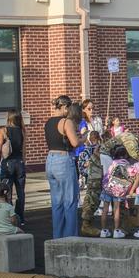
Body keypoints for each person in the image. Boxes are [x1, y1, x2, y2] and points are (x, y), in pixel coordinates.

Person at [44, 96, 83, 239]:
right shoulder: (66, 122)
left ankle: (57, 236)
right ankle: (70, 237)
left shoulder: (48, 122)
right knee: (70, 201)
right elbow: (74, 143)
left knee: (57, 202)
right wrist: (84, 138)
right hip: (63, 160)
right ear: (65, 107)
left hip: (50, 160)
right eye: (69, 108)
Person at [99, 145, 139, 239]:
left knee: (105, 209)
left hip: (108, 188)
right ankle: (116, 231)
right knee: (116, 209)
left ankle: (103, 230)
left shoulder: (113, 163)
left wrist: (104, 186)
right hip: (118, 191)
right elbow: (134, 176)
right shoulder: (128, 165)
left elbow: (107, 175)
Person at [0, 109, 26, 227]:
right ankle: (20, 218)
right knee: (20, 192)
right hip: (19, 163)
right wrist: (23, 162)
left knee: (6, 190)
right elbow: (24, 150)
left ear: (9, 118)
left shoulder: (3, 131)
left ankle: (8, 216)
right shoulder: (22, 131)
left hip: (7, 163)